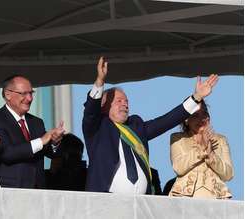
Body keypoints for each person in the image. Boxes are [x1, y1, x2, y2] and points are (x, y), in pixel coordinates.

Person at [82, 57, 219, 195]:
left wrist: (196, 97)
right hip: (106, 204)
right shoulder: (97, 127)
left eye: (126, 101)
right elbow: (91, 111)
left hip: (140, 206)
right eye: (119, 101)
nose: (125, 104)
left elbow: (167, 121)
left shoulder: (136, 126)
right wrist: (100, 81)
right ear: (104, 106)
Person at [0, 75, 65, 189]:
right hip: (11, 190)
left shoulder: (36, 122)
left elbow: (49, 152)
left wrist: (55, 141)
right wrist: (41, 141)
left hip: (38, 190)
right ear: (8, 94)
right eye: (24, 94)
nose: (30, 98)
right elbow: (7, 153)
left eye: (31, 93)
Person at [169, 100, 233, 199]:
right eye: (195, 115)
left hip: (216, 200)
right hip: (185, 198)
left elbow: (228, 174)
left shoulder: (221, 140)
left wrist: (211, 155)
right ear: (186, 119)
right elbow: (179, 168)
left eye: (204, 114)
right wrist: (202, 149)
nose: (201, 119)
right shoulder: (178, 138)